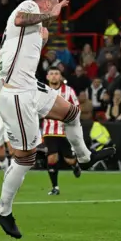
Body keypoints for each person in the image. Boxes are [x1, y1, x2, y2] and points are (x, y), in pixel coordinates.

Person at [0, 0, 115, 239]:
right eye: (56, 6)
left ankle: (84, 157)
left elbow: (27, 41)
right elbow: (21, 19)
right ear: (46, 3)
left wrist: (43, 35)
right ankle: (2, 210)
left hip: (29, 87)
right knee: (25, 158)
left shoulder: (35, 28)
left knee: (71, 112)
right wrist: (49, 15)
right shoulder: (28, 7)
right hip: (15, 94)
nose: (58, 14)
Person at [41, 67, 81, 195]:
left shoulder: (68, 91)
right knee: (52, 158)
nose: (54, 76)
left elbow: (77, 108)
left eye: (56, 74)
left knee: (68, 159)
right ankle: (55, 187)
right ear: (47, 77)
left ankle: (75, 164)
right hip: (49, 130)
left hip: (65, 130)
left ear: (60, 77)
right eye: (51, 74)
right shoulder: (41, 91)